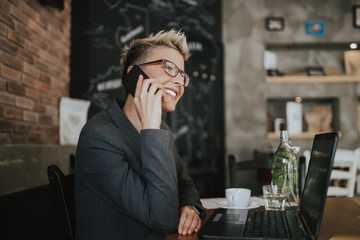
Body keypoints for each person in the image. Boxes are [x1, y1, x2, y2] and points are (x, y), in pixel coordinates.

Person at [75, 29, 205, 240]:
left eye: (182, 75)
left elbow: (185, 184)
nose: (180, 82)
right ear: (133, 74)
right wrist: (151, 129)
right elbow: (163, 220)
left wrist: (190, 206)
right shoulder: (98, 136)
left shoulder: (162, 129)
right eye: (169, 68)